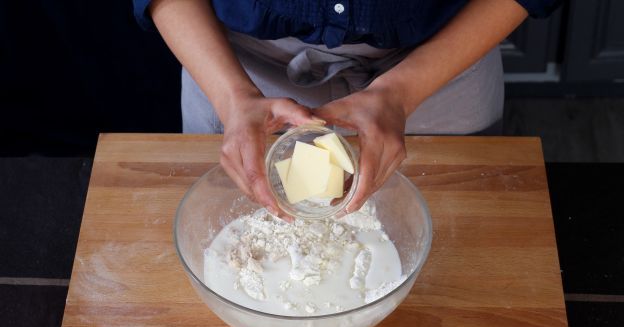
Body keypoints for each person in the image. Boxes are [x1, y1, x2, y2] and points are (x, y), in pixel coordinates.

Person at [133, 0, 559, 217]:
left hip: (442, 60)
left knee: (459, 249)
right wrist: (232, 99)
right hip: (233, 65)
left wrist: (401, 92)